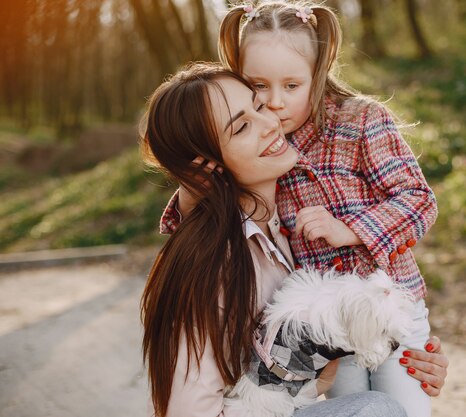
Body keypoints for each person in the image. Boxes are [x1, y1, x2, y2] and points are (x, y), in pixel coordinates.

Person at [159, 3, 448, 416]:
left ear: (319, 72)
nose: (275, 105)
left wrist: (352, 229)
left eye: (292, 86)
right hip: (328, 327)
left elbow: (418, 199)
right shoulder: (270, 151)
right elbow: (210, 207)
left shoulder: (360, 122)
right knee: (362, 405)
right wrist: (191, 189)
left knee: (402, 405)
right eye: (259, 88)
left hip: (390, 306)